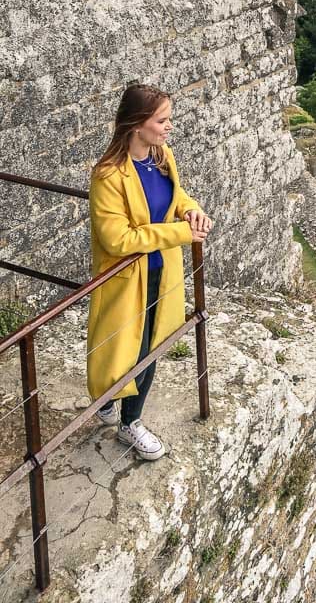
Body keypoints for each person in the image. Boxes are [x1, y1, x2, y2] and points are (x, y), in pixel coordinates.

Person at [87, 84, 212, 461]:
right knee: (126, 349)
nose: (169, 127)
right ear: (137, 124)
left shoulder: (161, 156)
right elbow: (117, 239)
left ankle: (125, 414)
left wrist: (190, 210)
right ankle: (124, 418)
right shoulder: (108, 176)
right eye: (162, 120)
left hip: (161, 271)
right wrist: (181, 233)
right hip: (129, 279)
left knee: (151, 346)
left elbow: (175, 197)